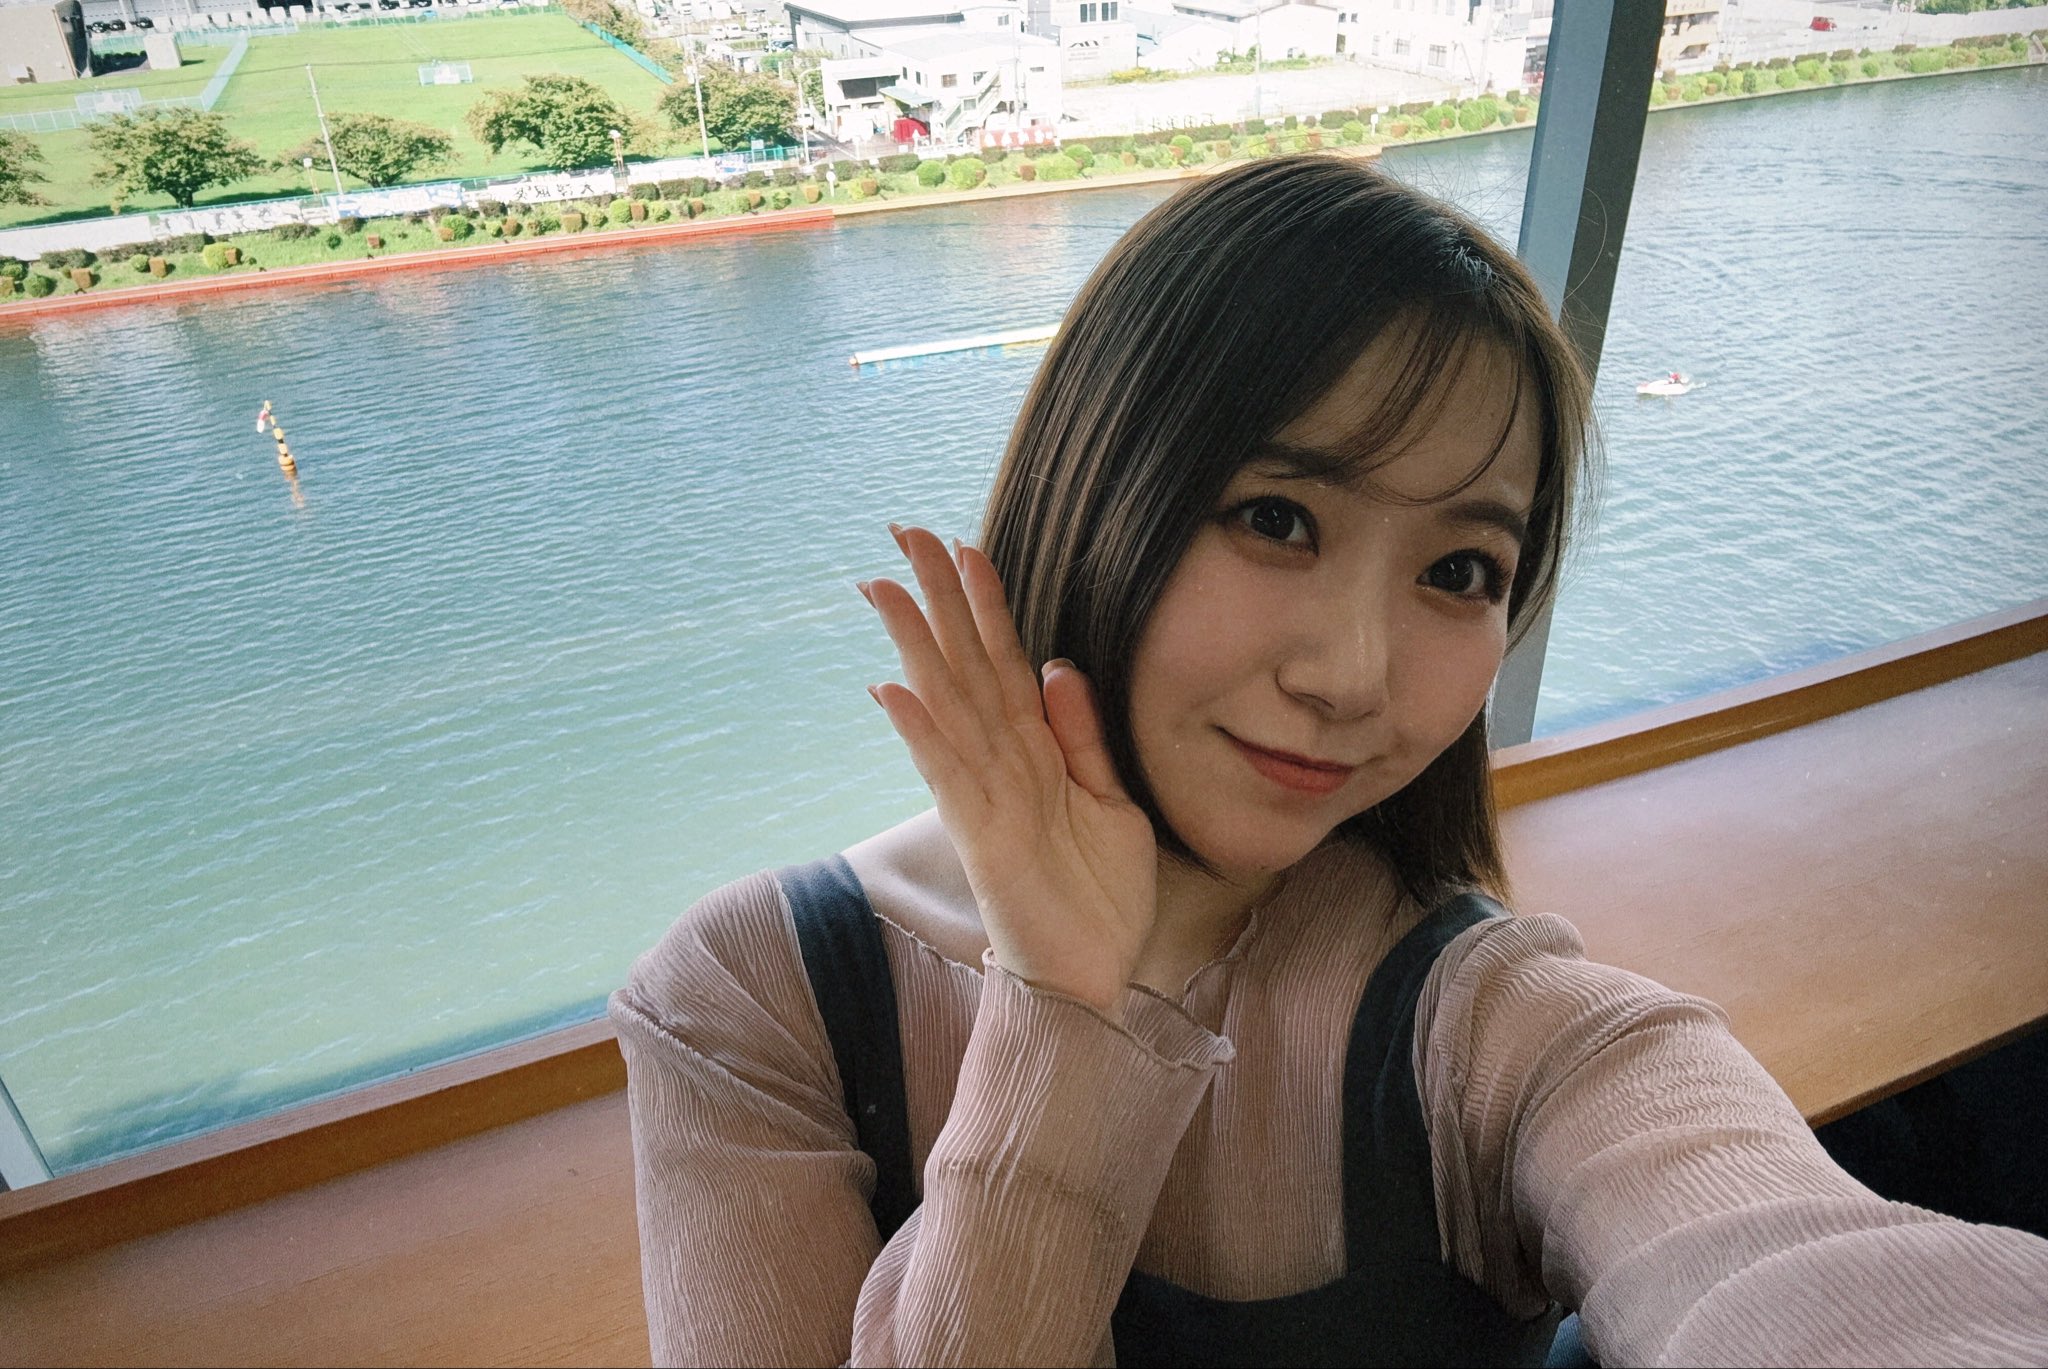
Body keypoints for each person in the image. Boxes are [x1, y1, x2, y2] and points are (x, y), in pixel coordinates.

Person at [608, 156, 2048, 1367]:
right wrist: (1064, 1015)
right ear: (1098, 487)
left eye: (1461, 570)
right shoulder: (755, 1001)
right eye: (1278, 519)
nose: (1354, 674)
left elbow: (1779, 1257)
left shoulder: (1484, 1019)